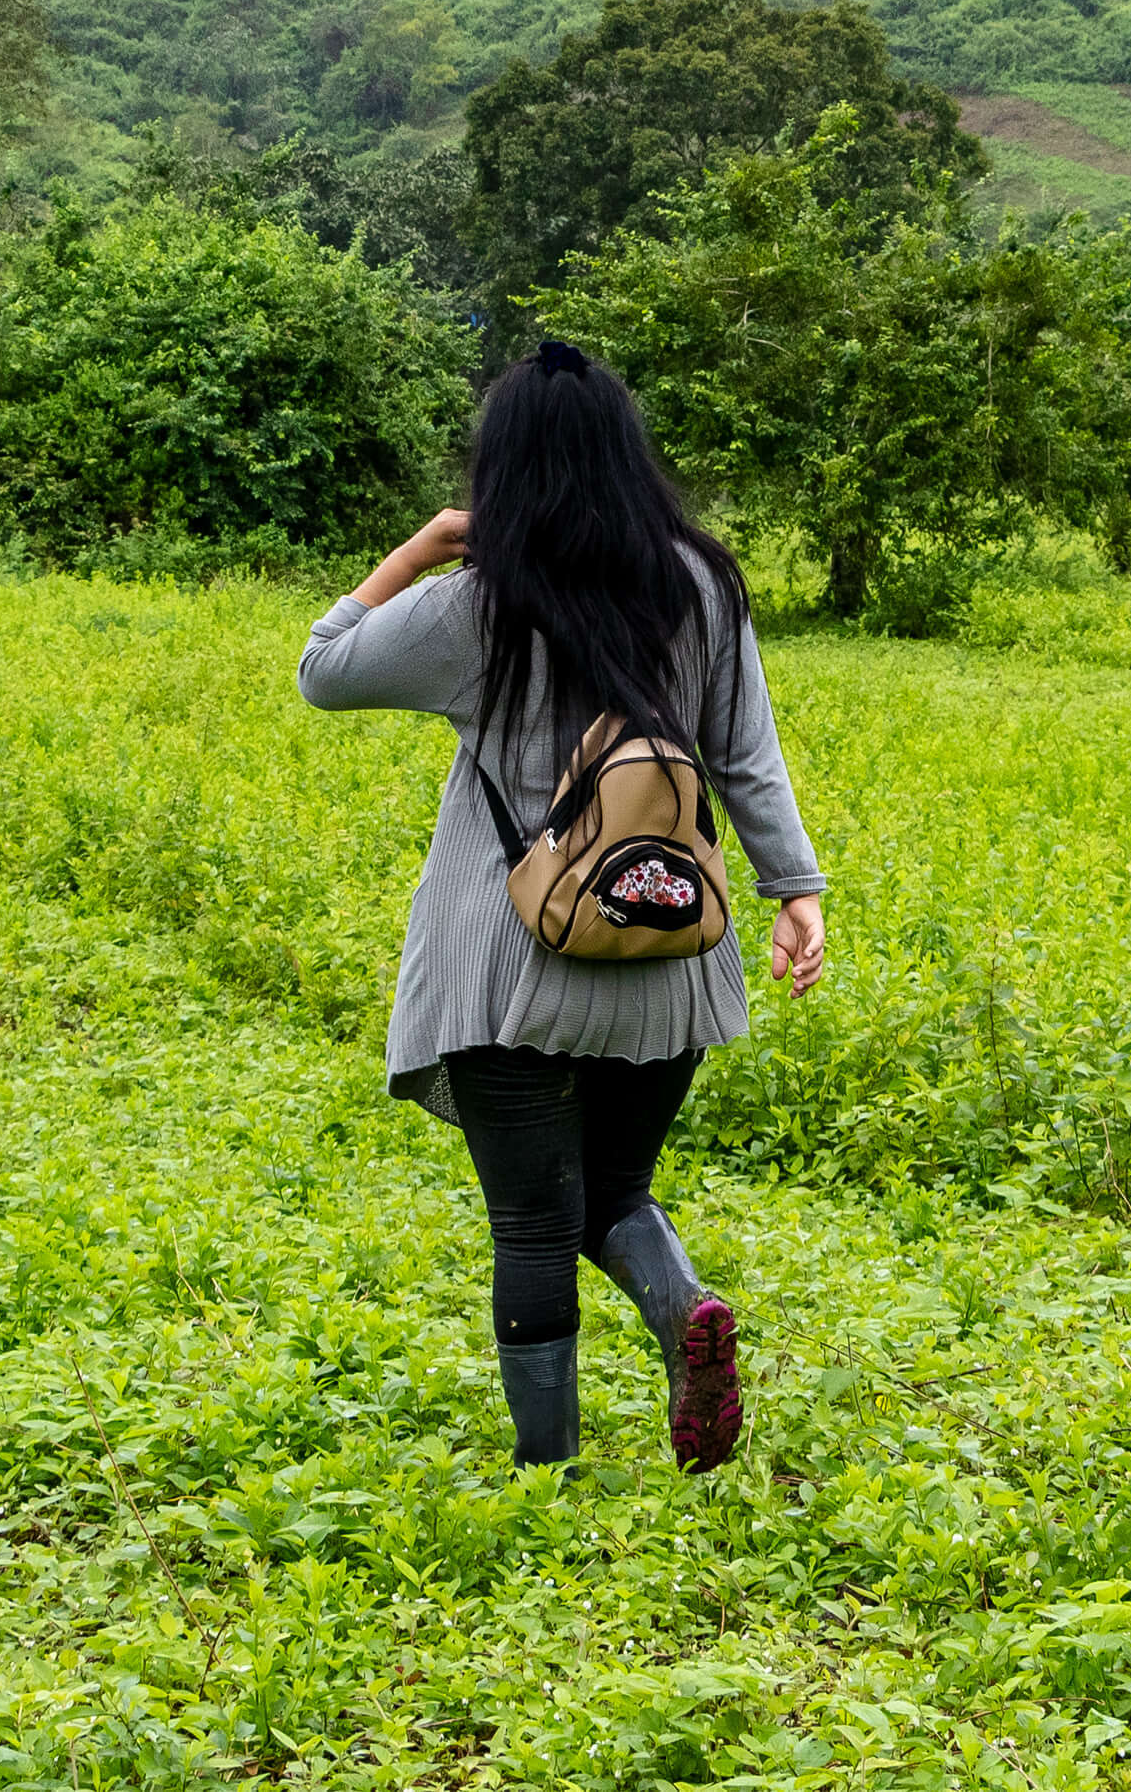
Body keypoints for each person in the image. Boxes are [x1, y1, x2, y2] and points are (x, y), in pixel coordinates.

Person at [297, 339, 828, 1472]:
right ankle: (681, 1303)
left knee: (534, 1221)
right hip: (667, 945)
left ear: (505, 469)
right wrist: (794, 888)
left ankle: (549, 1472)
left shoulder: (478, 602)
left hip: (507, 960)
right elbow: (746, 753)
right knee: (617, 1191)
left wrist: (427, 544)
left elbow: (323, 665)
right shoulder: (700, 581)